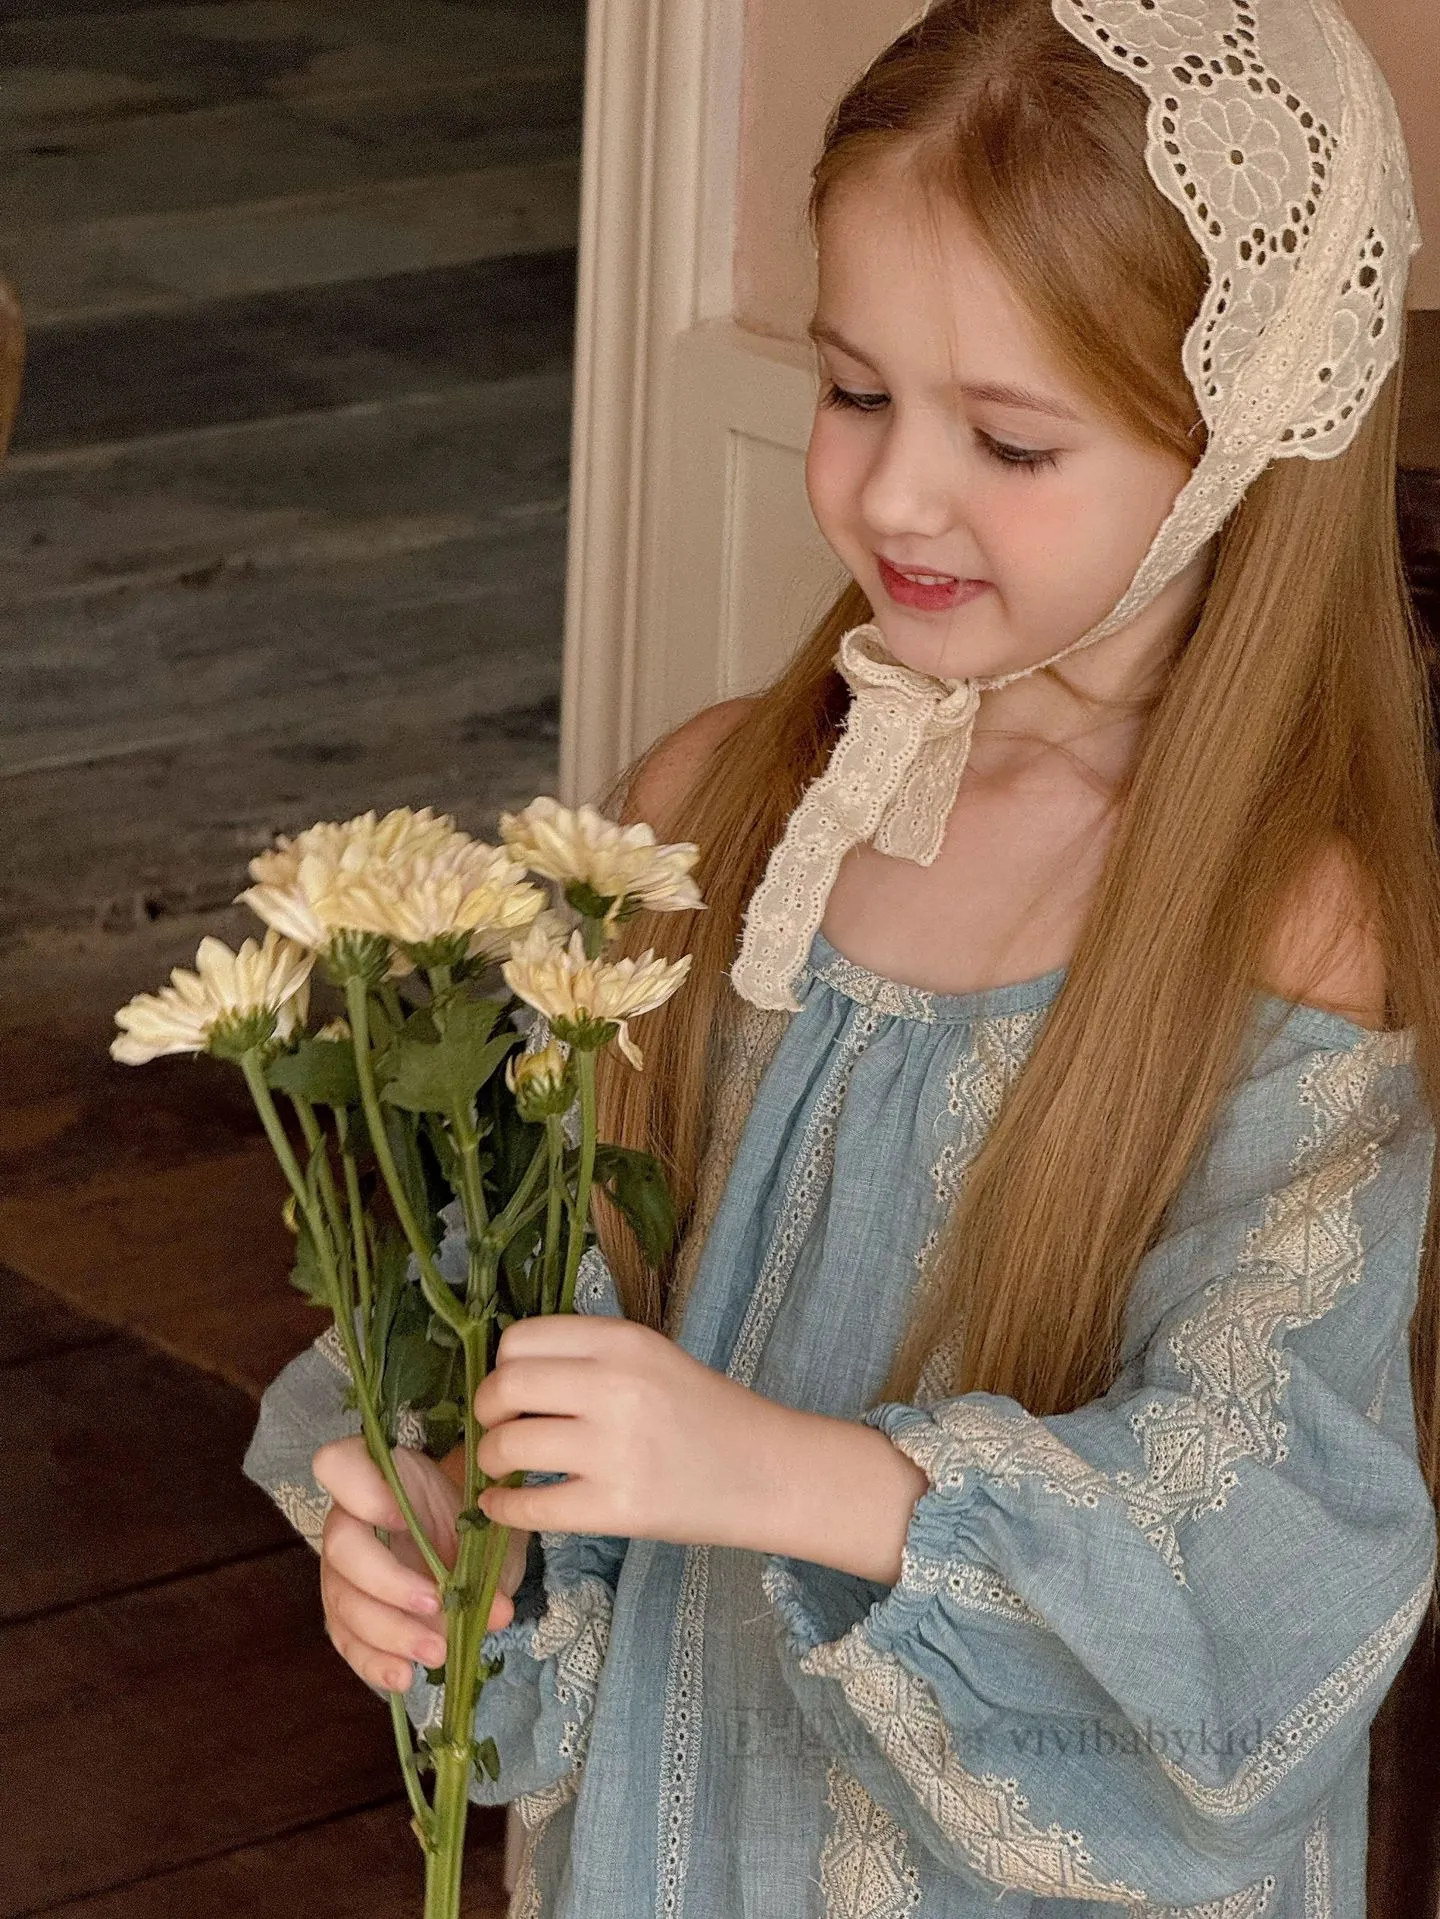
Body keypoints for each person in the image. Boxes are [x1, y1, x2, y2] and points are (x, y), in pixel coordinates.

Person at [242, 1, 1440, 1912]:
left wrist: (782, 1476)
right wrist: (442, 1509)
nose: (894, 495)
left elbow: (1268, 1552)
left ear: (1245, 447)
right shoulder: (715, 803)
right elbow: (532, 1283)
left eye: (1012, 436)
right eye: (856, 390)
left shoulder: (1290, 931)